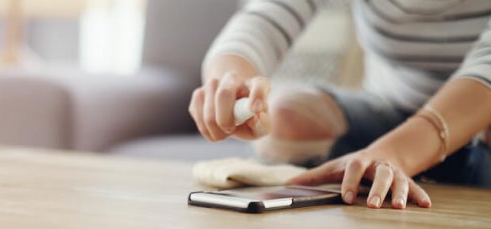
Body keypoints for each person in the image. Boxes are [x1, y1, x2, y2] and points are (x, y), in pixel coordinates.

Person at [188, 0, 491, 209]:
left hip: (480, 122)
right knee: (287, 118)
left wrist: (396, 153)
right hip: (390, 108)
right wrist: (230, 82)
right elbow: (263, 19)